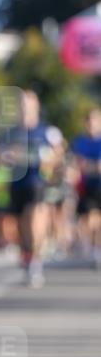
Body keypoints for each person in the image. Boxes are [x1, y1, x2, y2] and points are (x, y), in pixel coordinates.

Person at [0, 90, 55, 287]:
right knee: (21, 227)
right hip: (16, 183)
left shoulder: (45, 131)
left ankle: (36, 262)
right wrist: (7, 156)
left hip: (36, 183)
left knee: (33, 222)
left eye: (28, 104)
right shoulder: (10, 133)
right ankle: (28, 255)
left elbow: (56, 157)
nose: (24, 108)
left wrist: (46, 160)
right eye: (21, 104)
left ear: (35, 107)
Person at [71, 108, 101, 267]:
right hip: (85, 186)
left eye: (95, 120)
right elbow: (76, 164)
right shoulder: (79, 142)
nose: (91, 124)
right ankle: (92, 247)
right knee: (88, 218)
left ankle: (96, 248)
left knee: (96, 218)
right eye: (89, 121)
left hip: (99, 185)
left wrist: (87, 165)